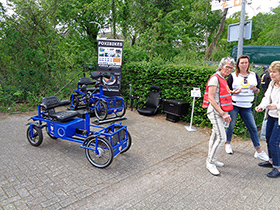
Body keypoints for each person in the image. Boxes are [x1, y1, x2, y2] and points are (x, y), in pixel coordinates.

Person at [224, 55, 269, 161]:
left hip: (247, 106)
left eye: (246, 63)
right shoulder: (232, 76)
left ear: (248, 64)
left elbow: (258, 90)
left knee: (253, 128)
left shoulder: (254, 75)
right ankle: (228, 143)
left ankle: (259, 151)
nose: (244, 65)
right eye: (242, 63)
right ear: (238, 65)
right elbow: (226, 91)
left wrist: (255, 89)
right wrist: (234, 92)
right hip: (234, 105)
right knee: (231, 125)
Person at [202, 57, 234, 176]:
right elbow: (211, 98)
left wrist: (233, 92)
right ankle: (210, 162)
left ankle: (213, 159)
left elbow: (222, 94)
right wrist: (223, 113)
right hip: (215, 112)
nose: (229, 69)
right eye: (227, 67)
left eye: (231, 68)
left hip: (220, 111)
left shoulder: (222, 78)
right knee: (222, 138)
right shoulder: (215, 78)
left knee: (215, 136)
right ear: (221, 66)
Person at [255, 61, 280, 178]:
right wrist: (261, 106)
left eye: (274, 72)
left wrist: (277, 106)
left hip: (278, 118)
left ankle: (278, 167)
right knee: (268, 138)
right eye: (270, 72)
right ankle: (271, 161)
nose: (271, 74)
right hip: (271, 115)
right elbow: (266, 97)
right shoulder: (272, 84)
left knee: (274, 141)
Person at [259, 69, 271, 140]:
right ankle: (263, 135)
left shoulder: (264, 74)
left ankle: (263, 134)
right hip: (269, 98)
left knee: (266, 117)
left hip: (265, 95)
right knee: (266, 117)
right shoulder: (269, 76)